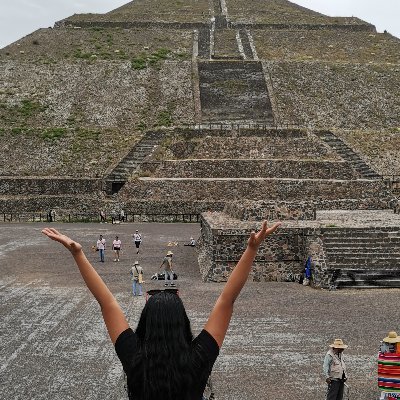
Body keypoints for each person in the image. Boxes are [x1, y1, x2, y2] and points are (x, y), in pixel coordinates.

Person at [41, 220, 281, 400]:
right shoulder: (198, 359)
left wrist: (78, 253)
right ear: (182, 321)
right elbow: (226, 300)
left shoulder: (134, 358)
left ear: (146, 323)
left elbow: (107, 302)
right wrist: (251, 250)